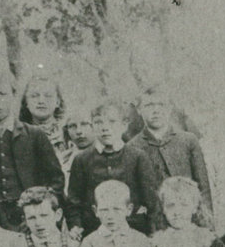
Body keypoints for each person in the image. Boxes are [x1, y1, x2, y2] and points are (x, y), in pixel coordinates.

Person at [0, 67, 64, 231]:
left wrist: (41, 212)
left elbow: (56, 181)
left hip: (32, 221)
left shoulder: (35, 136)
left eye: (2, 94)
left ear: (13, 96)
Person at [67, 101, 161, 236]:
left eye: (112, 122)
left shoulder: (138, 157)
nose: (105, 128)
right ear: (92, 126)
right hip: (95, 232)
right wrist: (76, 226)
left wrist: (153, 232)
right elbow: (74, 201)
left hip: (133, 230)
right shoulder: (82, 160)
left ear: (124, 125)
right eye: (99, 122)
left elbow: (152, 201)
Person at [128, 87, 213, 228]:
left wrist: (206, 222)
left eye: (161, 105)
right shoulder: (132, 147)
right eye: (149, 105)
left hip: (189, 220)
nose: (156, 110)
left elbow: (203, 186)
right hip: (153, 224)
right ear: (139, 110)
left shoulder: (188, 140)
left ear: (170, 108)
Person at [18, 68, 76, 174]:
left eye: (48, 96)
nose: (41, 101)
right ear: (26, 102)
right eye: (35, 96)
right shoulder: (18, 135)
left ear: (57, 102)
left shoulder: (70, 133)